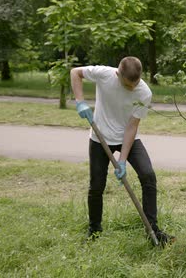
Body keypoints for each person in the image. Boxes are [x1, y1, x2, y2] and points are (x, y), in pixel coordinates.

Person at [70, 56, 174, 246]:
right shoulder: (104, 74)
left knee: (148, 176)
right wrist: (80, 101)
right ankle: (94, 231)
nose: (132, 89)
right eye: (128, 85)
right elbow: (75, 72)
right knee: (96, 186)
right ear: (118, 74)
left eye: (135, 85)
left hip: (128, 138)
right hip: (99, 137)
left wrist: (123, 160)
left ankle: (153, 229)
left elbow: (132, 127)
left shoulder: (144, 92)